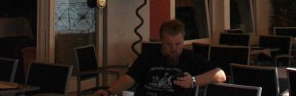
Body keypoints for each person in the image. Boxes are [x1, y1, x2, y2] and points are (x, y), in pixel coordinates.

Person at [93, 19, 225, 96]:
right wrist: (109, 91)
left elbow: (220, 75)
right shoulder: (149, 56)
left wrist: (194, 81)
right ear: (161, 41)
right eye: (169, 44)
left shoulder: (191, 58)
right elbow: (129, 78)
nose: (174, 48)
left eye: (178, 44)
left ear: (183, 40)